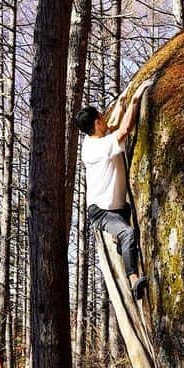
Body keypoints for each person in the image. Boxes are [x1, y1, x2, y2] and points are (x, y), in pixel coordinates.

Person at [74, 79, 153, 299]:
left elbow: (114, 122)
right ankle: (134, 280)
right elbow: (124, 128)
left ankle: (121, 244)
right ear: (97, 123)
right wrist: (136, 98)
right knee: (128, 233)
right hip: (101, 211)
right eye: (101, 116)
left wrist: (122, 98)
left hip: (119, 207)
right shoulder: (95, 148)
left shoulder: (97, 137)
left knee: (126, 227)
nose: (104, 118)